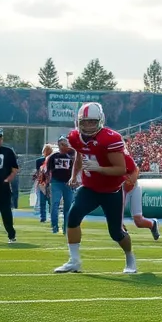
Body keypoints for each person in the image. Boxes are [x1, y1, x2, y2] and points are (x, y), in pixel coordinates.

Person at [53, 103, 136, 274]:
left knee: (116, 233)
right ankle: (74, 261)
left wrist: (98, 169)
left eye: (92, 122)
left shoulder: (110, 138)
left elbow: (121, 169)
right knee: (73, 216)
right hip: (90, 187)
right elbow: (79, 155)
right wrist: (74, 175)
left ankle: (130, 257)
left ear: (100, 121)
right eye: (85, 122)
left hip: (111, 190)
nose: (88, 126)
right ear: (78, 122)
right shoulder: (75, 137)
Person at [121, 152, 160, 240]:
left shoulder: (124, 156)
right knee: (117, 217)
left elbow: (136, 169)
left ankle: (152, 224)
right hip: (122, 188)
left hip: (133, 187)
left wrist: (131, 182)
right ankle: (121, 233)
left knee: (138, 221)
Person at [45, 136, 75, 234]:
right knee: (55, 204)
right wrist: (47, 184)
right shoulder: (53, 156)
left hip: (68, 182)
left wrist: (74, 180)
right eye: (61, 143)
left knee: (68, 206)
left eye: (65, 143)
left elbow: (76, 167)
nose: (63, 145)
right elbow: (48, 171)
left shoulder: (71, 155)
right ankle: (54, 226)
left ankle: (66, 227)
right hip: (56, 182)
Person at [32, 145, 53, 225]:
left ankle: (45, 217)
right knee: (46, 201)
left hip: (47, 182)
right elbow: (39, 172)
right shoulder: (40, 161)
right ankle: (47, 217)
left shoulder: (52, 160)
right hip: (44, 182)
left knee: (45, 201)